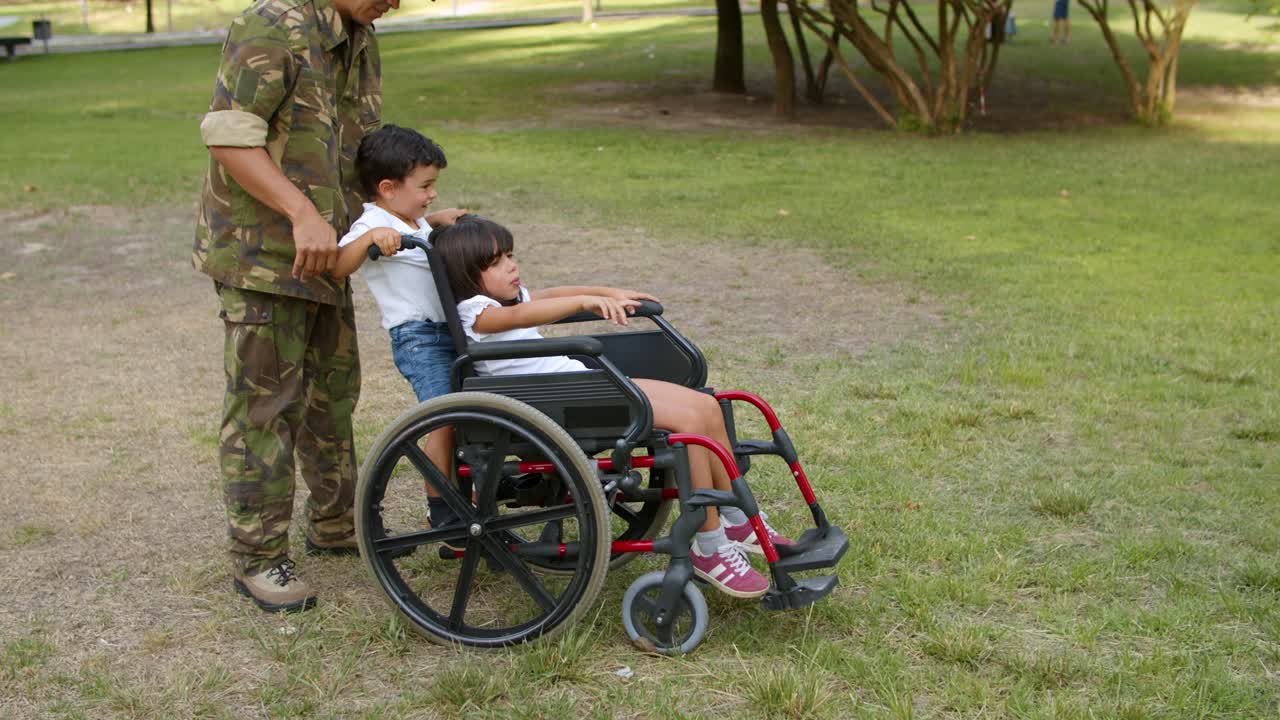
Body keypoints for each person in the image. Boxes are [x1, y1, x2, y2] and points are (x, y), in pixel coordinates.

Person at [433, 215, 796, 599]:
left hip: (580, 388)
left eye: (510, 255)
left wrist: (611, 292)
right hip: (558, 404)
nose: (511, 265)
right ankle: (709, 545)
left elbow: (552, 293)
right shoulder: (477, 313)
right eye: (495, 262)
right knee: (689, 422)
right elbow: (523, 315)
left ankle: (737, 518)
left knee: (705, 407)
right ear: (467, 275)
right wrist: (587, 302)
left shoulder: (504, 299)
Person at [194, 0, 399, 613]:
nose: (398, 3)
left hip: (329, 254)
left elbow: (359, 153)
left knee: (333, 394)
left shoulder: (358, 35)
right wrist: (301, 213)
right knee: (265, 408)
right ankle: (258, 558)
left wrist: (404, 214)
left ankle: (336, 523)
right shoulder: (271, 24)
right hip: (264, 256)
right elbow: (230, 138)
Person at [333, 125, 467, 521]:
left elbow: (422, 236)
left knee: (468, 417)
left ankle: (463, 494)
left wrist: (436, 221)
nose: (432, 194)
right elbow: (340, 263)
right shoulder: (374, 223)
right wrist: (370, 238)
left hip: (450, 332)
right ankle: (441, 509)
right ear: (388, 188)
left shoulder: (413, 220)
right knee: (442, 419)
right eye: (425, 186)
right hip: (420, 338)